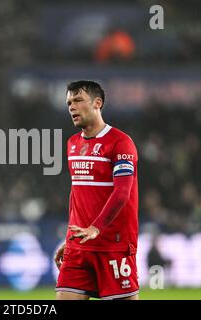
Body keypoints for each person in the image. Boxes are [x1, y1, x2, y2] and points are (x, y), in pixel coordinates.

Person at [54, 80, 139, 300]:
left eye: (78, 100)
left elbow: (122, 192)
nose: (71, 107)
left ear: (97, 103)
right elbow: (80, 195)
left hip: (113, 245)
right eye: (69, 103)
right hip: (79, 248)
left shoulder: (120, 143)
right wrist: (71, 238)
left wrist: (96, 228)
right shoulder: (72, 143)